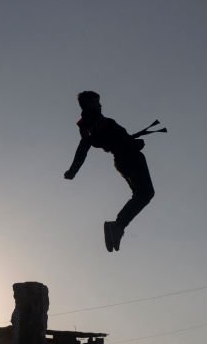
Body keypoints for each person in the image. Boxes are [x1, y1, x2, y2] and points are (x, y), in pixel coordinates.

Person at [63, 90, 156, 252]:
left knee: (142, 195)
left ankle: (118, 226)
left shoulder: (91, 123)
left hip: (123, 159)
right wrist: (73, 169)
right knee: (145, 194)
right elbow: (84, 148)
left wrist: (73, 170)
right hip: (129, 158)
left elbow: (100, 142)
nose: (100, 104)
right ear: (89, 103)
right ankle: (118, 226)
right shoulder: (92, 122)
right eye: (97, 101)